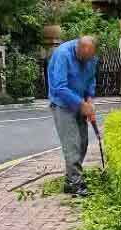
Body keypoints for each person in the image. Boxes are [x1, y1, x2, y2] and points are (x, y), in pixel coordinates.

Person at [48, 35, 98, 197]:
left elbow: (91, 79)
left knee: (83, 142)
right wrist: (81, 104)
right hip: (62, 104)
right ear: (77, 48)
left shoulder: (91, 58)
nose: (86, 61)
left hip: (80, 102)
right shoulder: (63, 55)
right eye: (83, 58)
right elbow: (59, 87)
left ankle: (70, 181)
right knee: (72, 145)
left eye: (89, 58)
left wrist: (89, 99)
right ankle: (76, 182)